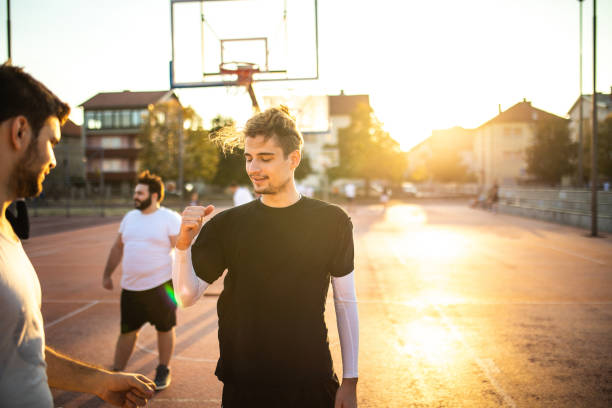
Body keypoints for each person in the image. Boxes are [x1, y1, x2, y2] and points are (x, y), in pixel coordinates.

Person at [173, 106, 359, 407]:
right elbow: (185, 297)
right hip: (245, 384)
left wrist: (350, 382)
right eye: (249, 158)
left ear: (293, 159)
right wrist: (182, 247)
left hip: (310, 379)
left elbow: (345, 302)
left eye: (265, 158)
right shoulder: (226, 224)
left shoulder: (332, 221)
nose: (253, 168)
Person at [0, 63, 155, 407]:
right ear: (20, 131)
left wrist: (99, 381)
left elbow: (22, 348)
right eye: (52, 141)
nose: (54, 160)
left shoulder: (8, 230)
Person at [102, 170, 181, 390]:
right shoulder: (130, 217)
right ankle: (116, 372)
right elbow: (118, 247)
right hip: (131, 288)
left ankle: (163, 368)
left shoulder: (169, 218)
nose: (135, 196)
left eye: (139, 193)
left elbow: (183, 250)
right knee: (127, 331)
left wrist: (186, 280)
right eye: (135, 192)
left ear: (154, 195)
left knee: (165, 328)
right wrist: (107, 274)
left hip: (161, 286)